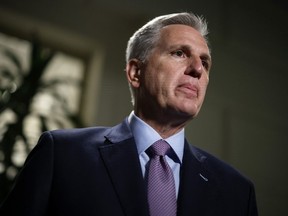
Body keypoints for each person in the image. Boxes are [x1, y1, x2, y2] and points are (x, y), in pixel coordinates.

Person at [0, 12, 258, 216]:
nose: (197, 69)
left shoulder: (236, 191)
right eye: (179, 53)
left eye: (205, 62)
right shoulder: (62, 155)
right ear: (136, 73)